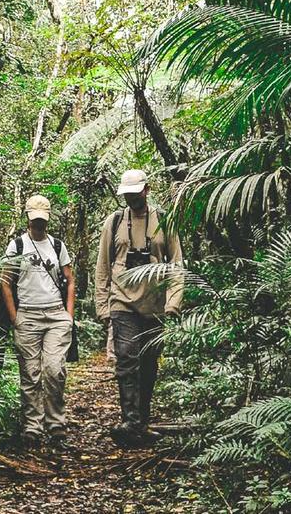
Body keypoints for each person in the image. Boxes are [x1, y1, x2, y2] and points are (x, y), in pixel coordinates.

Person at [94, 169, 183, 448]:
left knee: (148, 364)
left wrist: (173, 301)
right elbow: (103, 266)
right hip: (122, 301)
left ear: (147, 190)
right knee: (126, 359)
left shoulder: (164, 221)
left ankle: (141, 422)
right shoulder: (115, 221)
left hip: (154, 304)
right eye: (127, 195)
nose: (131, 199)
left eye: (135, 193)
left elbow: (177, 264)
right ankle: (131, 421)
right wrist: (103, 306)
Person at [1, 195, 77, 448]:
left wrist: (69, 316)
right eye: (35, 220)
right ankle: (32, 427)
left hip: (55, 315)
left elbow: (70, 279)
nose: (38, 225)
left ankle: (56, 425)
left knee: (54, 370)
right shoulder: (17, 246)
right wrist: (15, 317)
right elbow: (5, 281)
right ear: (27, 217)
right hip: (28, 316)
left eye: (42, 221)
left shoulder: (57, 245)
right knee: (30, 375)